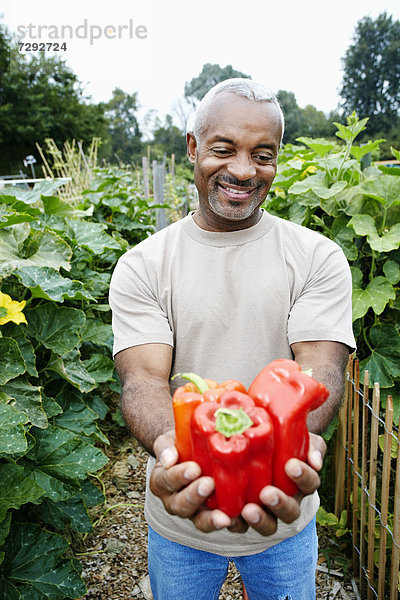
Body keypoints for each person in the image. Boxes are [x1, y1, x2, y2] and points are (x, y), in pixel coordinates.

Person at [109, 78, 356, 600]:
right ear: (194, 148)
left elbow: (320, 372)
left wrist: (276, 463)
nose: (244, 170)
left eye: (262, 155)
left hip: (282, 516)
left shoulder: (317, 258)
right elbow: (145, 381)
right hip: (183, 515)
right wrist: (174, 453)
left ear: (277, 160)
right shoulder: (143, 266)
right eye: (224, 149)